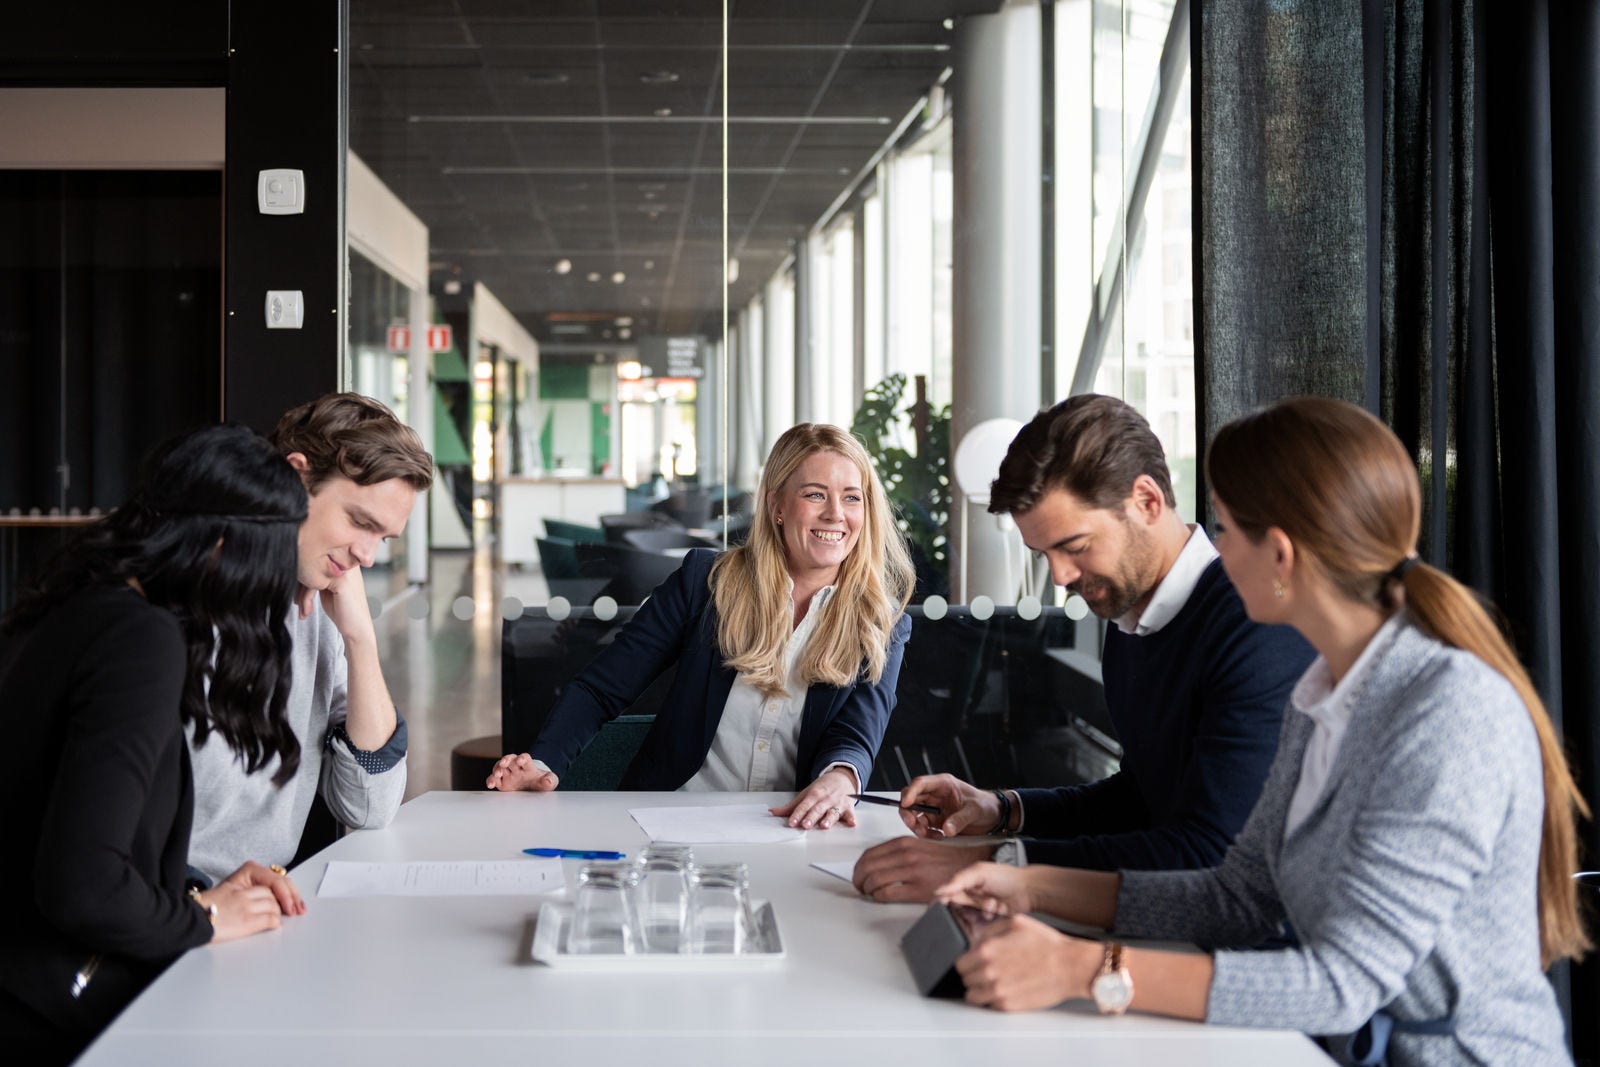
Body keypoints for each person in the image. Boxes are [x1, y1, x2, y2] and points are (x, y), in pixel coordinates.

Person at [935, 397, 1589, 1065]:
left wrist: (1083, 967)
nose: (1214, 548)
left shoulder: (1448, 713)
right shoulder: (1324, 694)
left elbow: (1343, 983)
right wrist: (1026, 883)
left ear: (1278, 551)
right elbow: (1238, 895)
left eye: (1225, 528)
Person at [854, 394, 1313, 901]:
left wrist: (993, 864)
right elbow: (1141, 798)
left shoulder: (1256, 627)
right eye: (1043, 553)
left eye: (1074, 547)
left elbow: (1209, 853)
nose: (1061, 576)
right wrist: (1002, 809)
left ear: (1147, 501)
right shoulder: (1132, 612)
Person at [0, 425, 310, 1063]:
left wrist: (194, 898)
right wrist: (205, 922)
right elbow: (81, 885)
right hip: (49, 1019)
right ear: (225, 548)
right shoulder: (141, 642)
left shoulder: (79, 605)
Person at [487, 422, 915, 829]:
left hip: (793, 827)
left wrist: (840, 779)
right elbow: (601, 689)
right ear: (777, 506)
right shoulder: (706, 583)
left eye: (852, 498)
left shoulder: (881, 619)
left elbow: (858, 730)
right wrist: (541, 766)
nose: (836, 514)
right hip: (672, 822)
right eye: (815, 495)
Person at [186, 393, 433, 886]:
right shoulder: (181, 599)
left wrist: (359, 637)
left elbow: (370, 805)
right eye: (360, 522)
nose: (366, 556)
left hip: (263, 909)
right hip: (173, 917)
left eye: (382, 539)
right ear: (296, 479)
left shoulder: (320, 609)